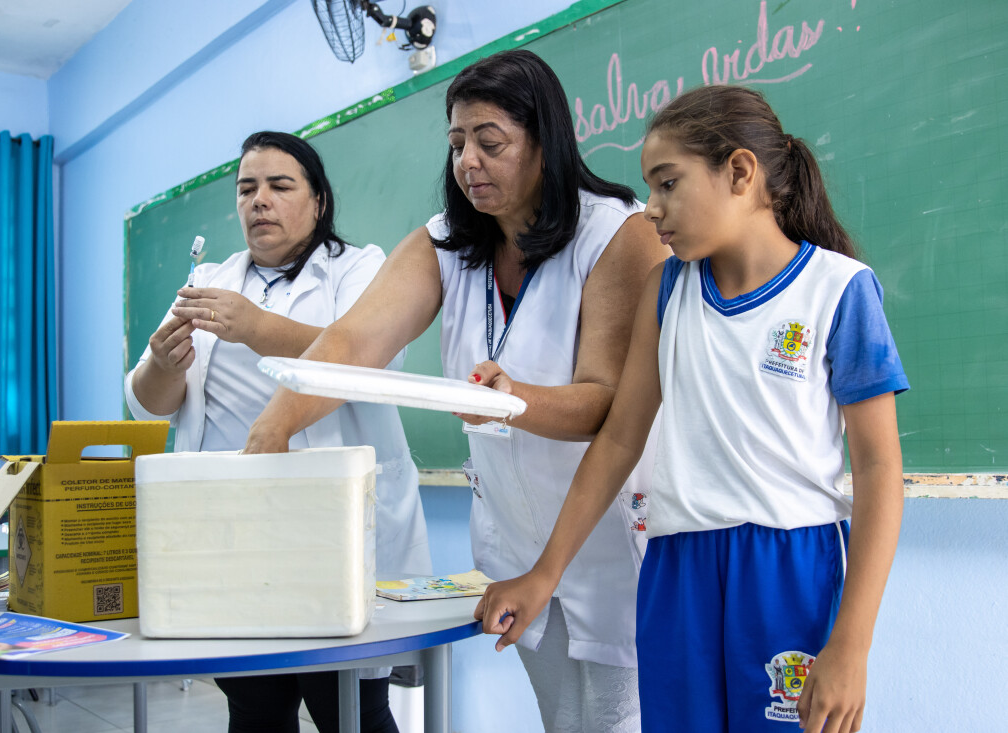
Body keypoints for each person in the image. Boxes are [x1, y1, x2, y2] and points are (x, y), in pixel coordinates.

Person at [243, 50, 667, 732]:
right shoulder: (446, 244)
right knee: (563, 720)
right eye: (457, 143)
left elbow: (607, 403)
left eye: (490, 142)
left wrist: (514, 398)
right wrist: (272, 428)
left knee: (619, 722)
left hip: (610, 543)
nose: (469, 161)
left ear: (543, 142)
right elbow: (353, 345)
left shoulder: (617, 231)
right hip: (514, 543)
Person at [477, 84, 908, 733]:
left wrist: (852, 641)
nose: (651, 209)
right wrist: (545, 571)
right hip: (676, 572)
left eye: (668, 183)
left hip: (789, 570)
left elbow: (879, 471)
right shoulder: (666, 289)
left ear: (740, 172)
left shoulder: (838, 290)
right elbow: (620, 439)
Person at [124, 131, 431, 733]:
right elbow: (146, 406)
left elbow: (375, 360)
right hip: (232, 530)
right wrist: (162, 363)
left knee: (350, 705)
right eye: (246, 188)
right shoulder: (210, 278)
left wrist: (257, 326)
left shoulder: (360, 267)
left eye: (279, 185)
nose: (258, 200)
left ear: (317, 201)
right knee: (254, 704)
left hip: (332, 530)